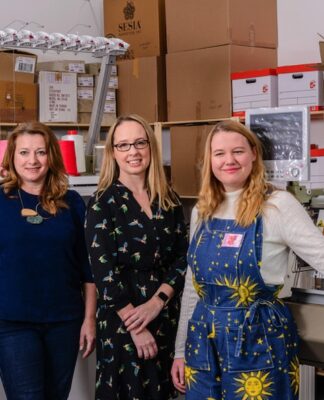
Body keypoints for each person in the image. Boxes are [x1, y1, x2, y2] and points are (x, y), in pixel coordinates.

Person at [171, 119, 324, 399]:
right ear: (210, 161)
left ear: (254, 153)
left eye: (238, 151)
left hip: (258, 339)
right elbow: (193, 287)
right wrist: (180, 349)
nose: (229, 160)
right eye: (219, 153)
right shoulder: (203, 210)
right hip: (204, 341)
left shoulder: (278, 205)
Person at [85, 114, 188, 400]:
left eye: (140, 143)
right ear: (113, 153)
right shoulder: (102, 203)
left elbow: (184, 258)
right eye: (124, 145)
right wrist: (136, 327)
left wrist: (158, 302)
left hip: (165, 316)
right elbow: (103, 274)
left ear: (151, 147)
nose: (134, 152)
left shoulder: (169, 199)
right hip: (122, 324)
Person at [0, 122, 96, 399]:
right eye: (24, 153)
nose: (32, 160)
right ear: (12, 158)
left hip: (64, 322)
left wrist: (89, 318)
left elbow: (87, 268)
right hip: (12, 323)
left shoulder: (72, 202)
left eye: (40, 152)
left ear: (51, 156)